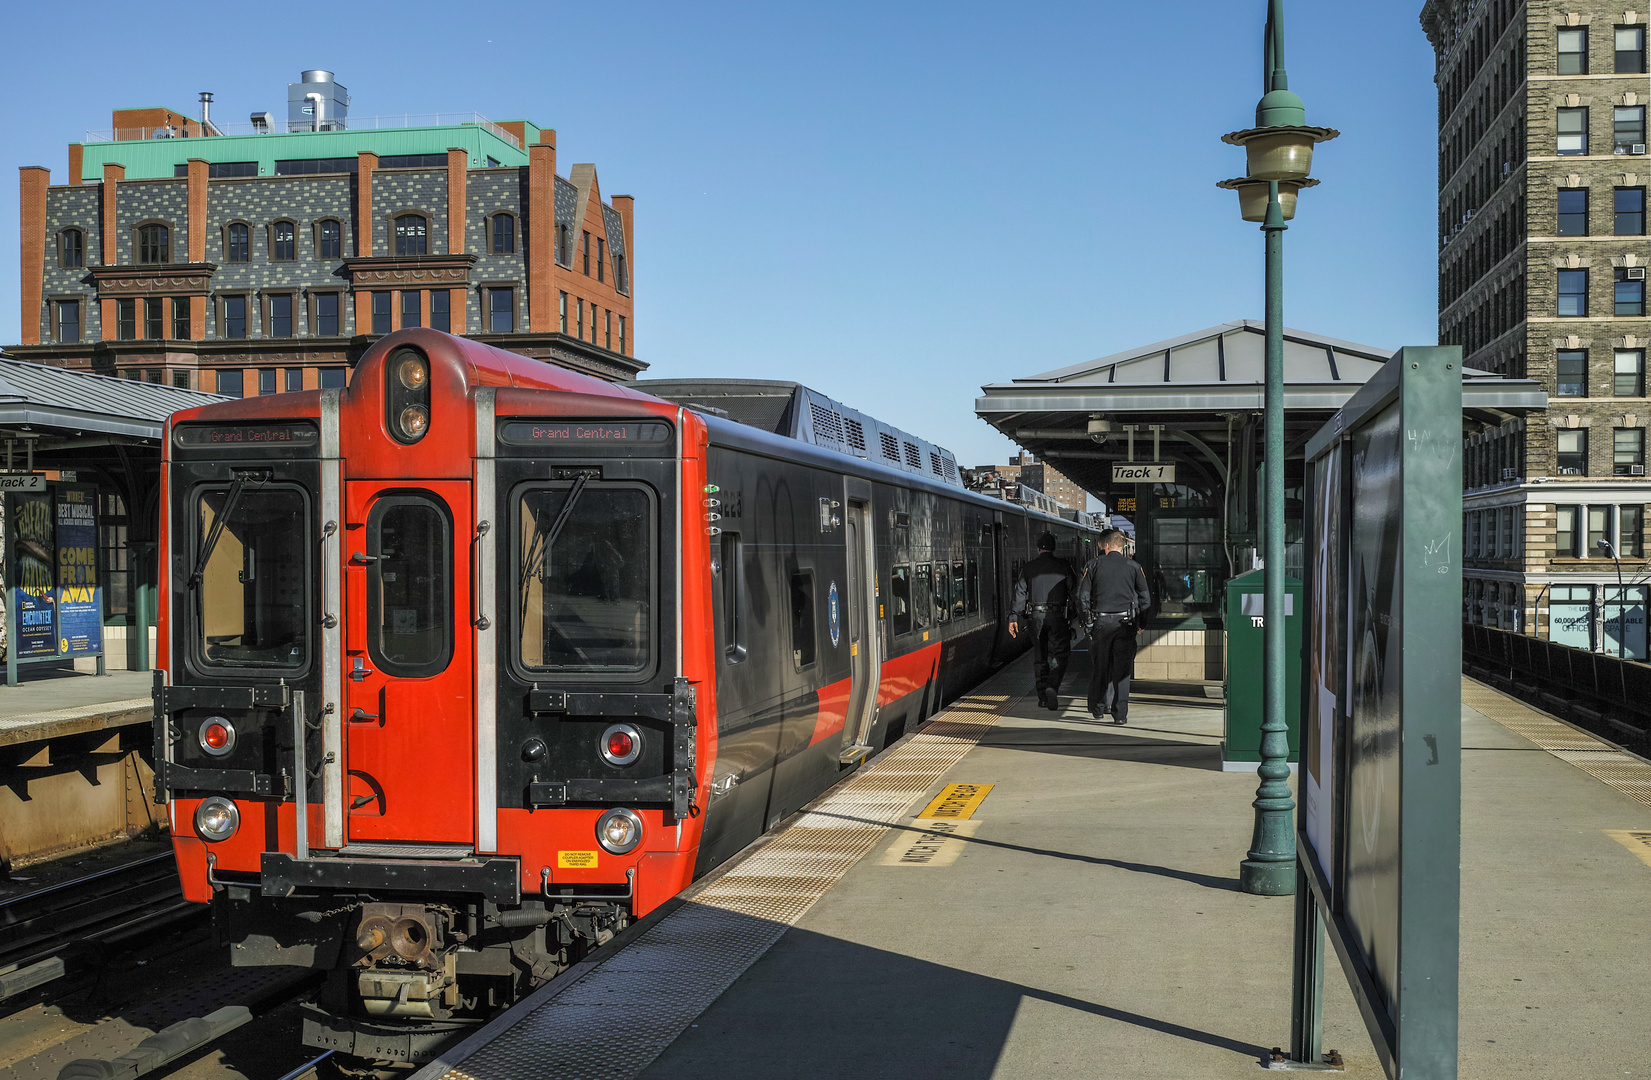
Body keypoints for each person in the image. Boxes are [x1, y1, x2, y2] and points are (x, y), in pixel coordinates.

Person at [1079, 529, 1152, 724]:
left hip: (1101, 624)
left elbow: (1083, 597)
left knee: (1100, 667)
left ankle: (1098, 708)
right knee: (1122, 670)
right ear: (1123, 546)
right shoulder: (1134, 567)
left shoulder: (1093, 566)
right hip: (1125, 624)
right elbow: (1145, 599)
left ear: (1107, 546)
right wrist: (1141, 624)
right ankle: (1120, 715)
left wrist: (1088, 622)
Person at [1009, 532, 1078, 711]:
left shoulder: (1029, 567)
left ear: (1038, 549)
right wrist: (1075, 614)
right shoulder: (1064, 566)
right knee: (1059, 654)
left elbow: (1020, 593)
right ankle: (1052, 686)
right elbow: (1074, 591)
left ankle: (1042, 697)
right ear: (1054, 548)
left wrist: (1014, 617)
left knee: (1040, 657)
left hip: (1035, 617)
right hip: (1057, 617)